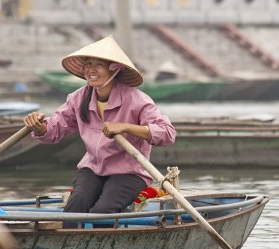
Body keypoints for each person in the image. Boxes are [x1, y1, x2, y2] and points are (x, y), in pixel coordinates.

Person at [24, 35, 176, 227]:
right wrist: (39, 127)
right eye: (88, 64)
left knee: (102, 212)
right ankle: (68, 247)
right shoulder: (78, 98)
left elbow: (167, 133)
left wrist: (126, 127)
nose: (91, 70)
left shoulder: (137, 100)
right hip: (93, 168)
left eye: (98, 64)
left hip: (130, 172)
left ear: (115, 69)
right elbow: (54, 129)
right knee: (76, 206)